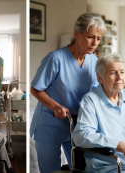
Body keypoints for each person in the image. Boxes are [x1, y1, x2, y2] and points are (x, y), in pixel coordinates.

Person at [30, 13, 106, 173]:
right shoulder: (55, 59)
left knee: (80, 169)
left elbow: (92, 93)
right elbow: (36, 89)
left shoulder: (93, 61)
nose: (95, 43)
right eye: (91, 37)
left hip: (76, 126)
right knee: (51, 171)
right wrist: (56, 107)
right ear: (77, 34)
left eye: (98, 39)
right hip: (49, 125)